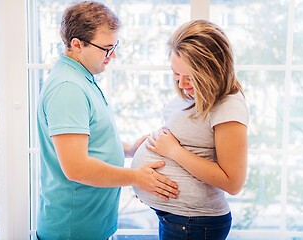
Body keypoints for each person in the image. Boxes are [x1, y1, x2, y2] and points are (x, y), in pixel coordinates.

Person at [36, 2, 179, 240]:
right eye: (106, 48)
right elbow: (77, 168)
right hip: (74, 230)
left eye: (115, 47)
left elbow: (88, 142)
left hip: (88, 226)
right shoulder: (68, 88)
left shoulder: (82, 78)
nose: (112, 56)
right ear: (77, 44)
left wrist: (129, 149)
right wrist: (135, 177)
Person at [132, 19, 249, 240]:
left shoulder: (228, 106)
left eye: (191, 77)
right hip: (179, 218)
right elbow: (194, 140)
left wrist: (173, 151)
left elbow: (233, 182)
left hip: (194, 223)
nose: (182, 84)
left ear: (213, 70)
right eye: (176, 74)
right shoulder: (199, 95)